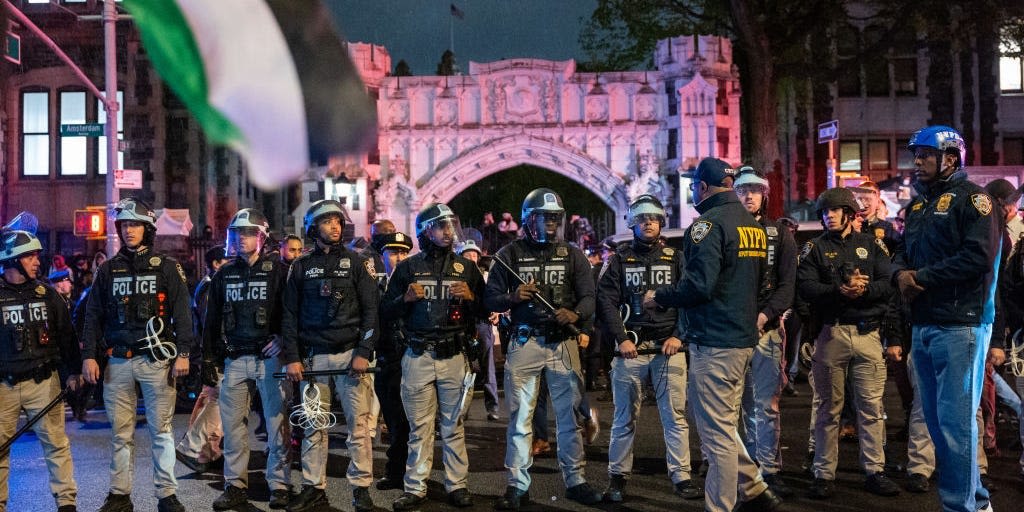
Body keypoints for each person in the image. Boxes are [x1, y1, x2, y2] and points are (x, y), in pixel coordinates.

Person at [644, 157, 778, 512]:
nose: (691, 191)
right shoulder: (752, 225)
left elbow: (699, 286)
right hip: (741, 337)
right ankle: (753, 487)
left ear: (703, 187)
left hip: (715, 340)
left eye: (693, 185)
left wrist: (659, 296)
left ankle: (720, 506)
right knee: (719, 421)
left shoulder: (707, 225)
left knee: (716, 433)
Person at [893, 125, 1002, 512]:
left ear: (950, 158)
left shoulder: (975, 200)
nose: (917, 162)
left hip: (962, 324)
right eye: (916, 155)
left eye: (924, 155)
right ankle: (977, 501)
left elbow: (977, 258)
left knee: (956, 426)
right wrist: (899, 273)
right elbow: (900, 250)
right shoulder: (920, 206)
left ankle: (962, 506)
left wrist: (918, 278)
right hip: (923, 324)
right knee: (940, 427)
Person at [485, 188, 601, 509]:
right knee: (521, 417)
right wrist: (513, 297)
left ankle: (575, 480)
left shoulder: (573, 254)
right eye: (543, 218)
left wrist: (576, 314)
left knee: (569, 417)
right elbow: (490, 298)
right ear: (527, 220)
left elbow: (590, 297)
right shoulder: (509, 255)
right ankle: (517, 484)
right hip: (525, 341)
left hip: (563, 341)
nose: (550, 225)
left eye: (555, 218)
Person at [80, 197, 193, 512]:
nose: (129, 231)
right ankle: (119, 495)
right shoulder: (107, 270)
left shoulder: (168, 268)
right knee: (120, 435)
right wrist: (89, 355)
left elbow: (183, 314)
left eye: (135, 225)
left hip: (156, 361)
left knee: (162, 431)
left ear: (148, 229)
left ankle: (167, 496)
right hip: (116, 361)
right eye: (124, 225)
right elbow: (93, 317)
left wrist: (183, 352)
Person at [797, 186, 901, 499]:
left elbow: (889, 284)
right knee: (829, 409)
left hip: (869, 335)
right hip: (832, 334)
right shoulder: (813, 248)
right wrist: (838, 291)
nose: (829, 216)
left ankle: (875, 471)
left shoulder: (872, 245)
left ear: (849, 213)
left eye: (835, 210)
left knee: (871, 408)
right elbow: (805, 287)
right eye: (825, 211)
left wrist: (863, 292)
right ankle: (823, 473)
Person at [596, 194, 701, 503]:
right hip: (631, 347)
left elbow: (690, 298)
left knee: (675, 417)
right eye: (642, 219)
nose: (649, 223)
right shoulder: (618, 259)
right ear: (632, 222)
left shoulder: (676, 257)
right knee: (624, 417)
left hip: (669, 348)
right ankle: (618, 477)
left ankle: (681, 476)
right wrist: (622, 338)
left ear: (661, 221)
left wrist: (679, 336)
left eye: (653, 218)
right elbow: (606, 302)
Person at [382, 203, 485, 510]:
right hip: (417, 355)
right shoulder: (408, 267)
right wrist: (405, 298)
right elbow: (385, 311)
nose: (448, 231)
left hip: (454, 354)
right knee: (420, 427)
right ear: (425, 231)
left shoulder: (466, 268)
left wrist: (472, 298)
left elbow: (486, 309)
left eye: (450, 225)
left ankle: (457, 485)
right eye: (441, 226)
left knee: (453, 425)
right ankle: (415, 487)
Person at [280, 199, 379, 512]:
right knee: (313, 427)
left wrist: (364, 352)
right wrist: (293, 357)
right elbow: (289, 315)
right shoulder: (300, 266)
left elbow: (371, 312)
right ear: (313, 228)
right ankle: (313, 487)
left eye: (338, 220)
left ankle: (361, 491)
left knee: (359, 429)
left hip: (351, 358)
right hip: (313, 359)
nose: (335, 226)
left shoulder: (358, 262)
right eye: (327, 221)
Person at [202, 209, 293, 510]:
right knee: (233, 426)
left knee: (277, 423)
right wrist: (209, 360)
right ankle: (235, 486)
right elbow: (211, 321)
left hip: (269, 358)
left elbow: (291, 314)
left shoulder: (279, 271)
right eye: (237, 233)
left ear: (262, 237)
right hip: (235, 358)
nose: (241, 238)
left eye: (248, 233)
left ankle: (279, 485)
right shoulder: (224, 274)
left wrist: (282, 340)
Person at [0, 215, 82, 512]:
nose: (37, 261)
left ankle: (66, 503)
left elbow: (66, 336)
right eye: (30, 256)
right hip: (4, 386)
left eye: (37, 255)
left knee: (57, 444)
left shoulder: (47, 294)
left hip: (44, 383)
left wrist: (73, 371)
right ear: (12, 260)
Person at [732, 168, 797, 498]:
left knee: (766, 405)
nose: (749, 195)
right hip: (732, 333)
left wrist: (764, 314)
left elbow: (787, 286)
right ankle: (744, 469)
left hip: (768, 331)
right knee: (737, 407)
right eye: (742, 190)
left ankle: (769, 468)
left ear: (764, 195)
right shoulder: (725, 229)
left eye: (755, 190)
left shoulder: (779, 233)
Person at [176, 245, 227, 475]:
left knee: (212, 400)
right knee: (216, 399)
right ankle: (192, 447)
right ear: (216, 264)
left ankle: (208, 453)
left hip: (213, 352)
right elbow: (210, 323)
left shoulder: (212, 284)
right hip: (213, 353)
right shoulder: (209, 287)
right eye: (226, 259)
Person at [370, 231, 414, 492]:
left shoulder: (415, 283)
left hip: (411, 357)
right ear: (383, 255)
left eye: (403, 252)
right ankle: (396, 472)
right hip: (386, 358)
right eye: (393, 252)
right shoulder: (374, 284)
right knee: (394, 419)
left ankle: (409, 472)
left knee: (412, 420)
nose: (399, 257)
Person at [456, 238, 501, 420]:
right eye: (468, 254)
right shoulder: (456, 277)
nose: (472, 257)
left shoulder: (486, 276)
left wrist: (497, 311)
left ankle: (493, 407)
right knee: (462, 369)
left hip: (482, 323)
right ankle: (463, 408)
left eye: (474, 254)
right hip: (463, 325)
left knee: (487, 366)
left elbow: (495, 298)